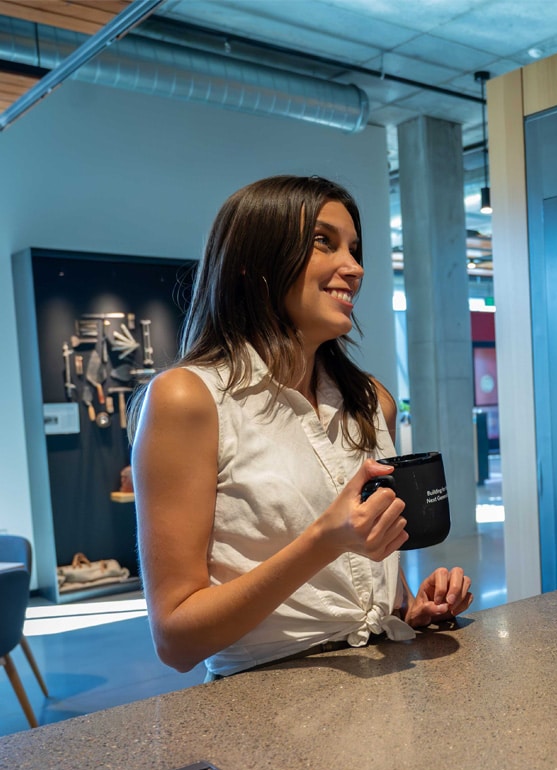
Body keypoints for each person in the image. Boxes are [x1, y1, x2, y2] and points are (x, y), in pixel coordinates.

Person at [130, 175, 472, 678]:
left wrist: (406, 610)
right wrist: (323, 541)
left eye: (355, 250)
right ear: (254, 264)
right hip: (265, 712)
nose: (353, 268)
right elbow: (176, 640)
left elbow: (364, 582)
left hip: (383, 693)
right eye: (323, 242)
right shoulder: (189, 399)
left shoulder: (370, 400)